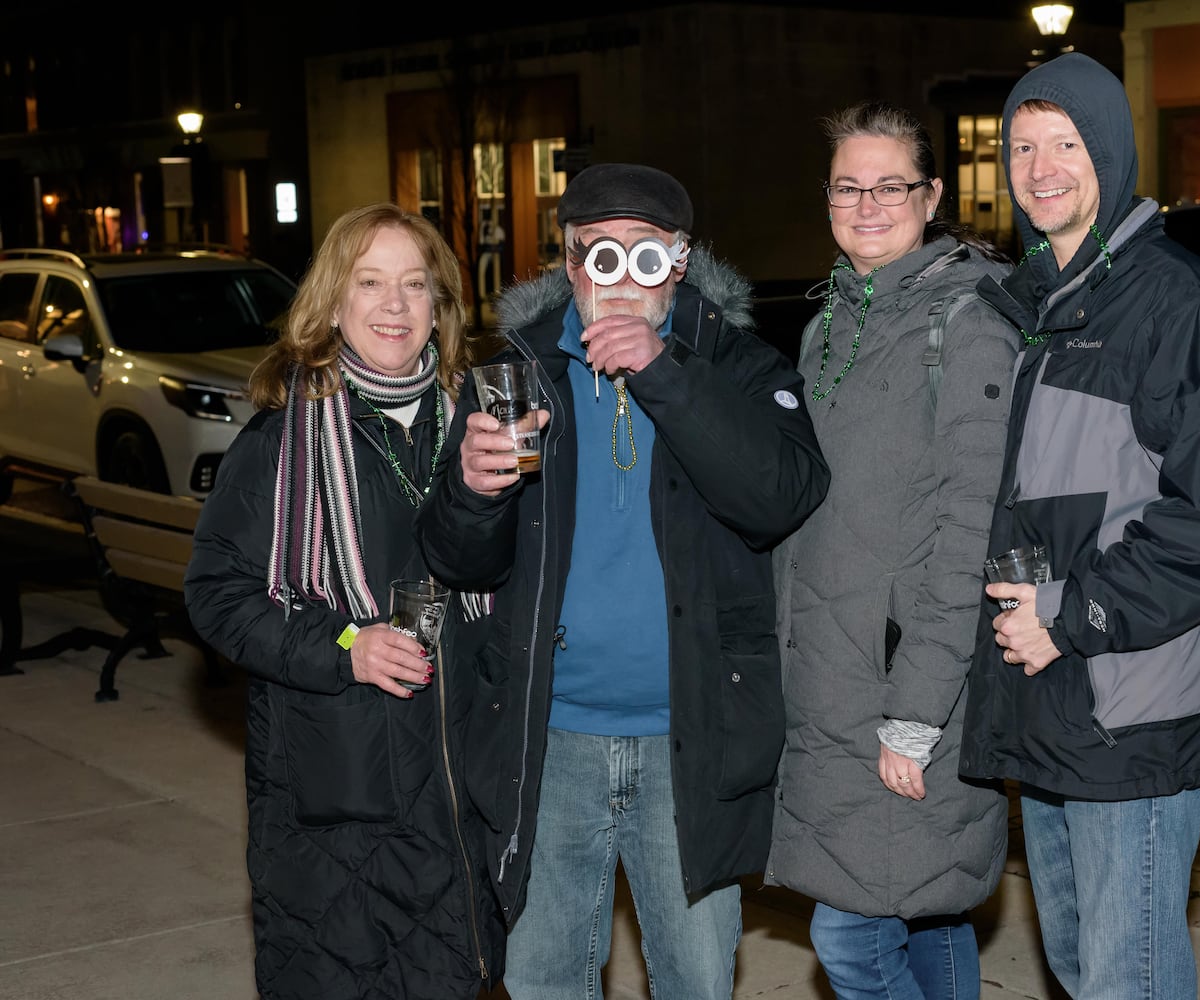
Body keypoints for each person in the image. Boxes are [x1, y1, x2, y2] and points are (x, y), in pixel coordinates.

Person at [414, 163, 830, 999]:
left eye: (646, 257)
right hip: (551, 737)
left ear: (679, 264)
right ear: (568, 265)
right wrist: (469, 489)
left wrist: (664, 373)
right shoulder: (518, 378)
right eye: (599, 256)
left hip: (689, 738)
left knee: (696, 980)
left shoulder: (738, 366)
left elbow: (781, 497)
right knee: (544, 980)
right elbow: (460, 561)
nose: (621, 278)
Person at [958, 54, 1200, 999]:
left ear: (1111, 151)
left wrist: (1067, 615)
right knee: (1077, 964)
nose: (1041, 166)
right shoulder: (1041, 300)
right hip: (1056, 698)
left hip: (1131, 706)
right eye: (1023, 145)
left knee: (1125, 979)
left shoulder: (1175, 300)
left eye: (1066, 143)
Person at [183, 203, 501, 999]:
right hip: (336, 794)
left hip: (462, 789)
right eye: (370, 282)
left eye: (414, 284)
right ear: (331, 303)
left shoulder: (481, 430)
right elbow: (218, 595)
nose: (394, 304)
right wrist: (343, 647)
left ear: (441, 308)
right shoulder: (280, 442)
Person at [765, 101, 1020, 999]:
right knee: (926, 916)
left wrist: (916, 711)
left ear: (933, 194)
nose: (868, 204)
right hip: (830, 680)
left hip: (906, 688)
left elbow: (971, 530)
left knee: (852, 942)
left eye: (891, 186)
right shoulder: (830, 319)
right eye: (848, 186)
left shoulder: (967, 322)